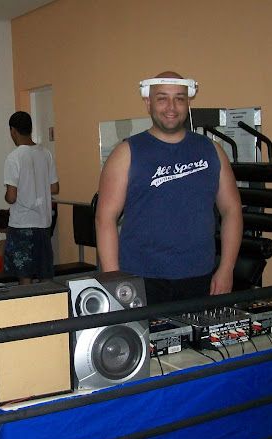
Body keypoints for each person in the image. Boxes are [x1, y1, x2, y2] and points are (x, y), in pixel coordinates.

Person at [95, 71, 242, 305]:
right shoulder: (126, 153)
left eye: (179, 98)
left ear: (188, 102)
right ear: (148, 103)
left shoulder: (212, 151)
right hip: (141, 279)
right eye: (162, 98)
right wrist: (115, 280)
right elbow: (105, 218)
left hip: (200, 278)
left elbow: (232, 210)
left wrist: (226, 268)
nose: (171, 107)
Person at [3, 111, 59, 285]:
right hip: (43, 225)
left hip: (22, 225)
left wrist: (8, 194)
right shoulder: (46, 153)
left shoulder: (14, 157)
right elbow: (55, 188)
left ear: (13, 130)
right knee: (45, 276)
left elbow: (11, 197)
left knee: (25, 278)